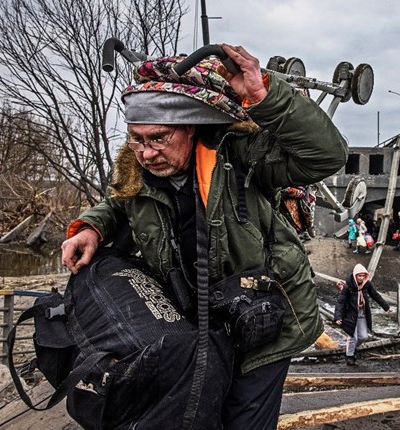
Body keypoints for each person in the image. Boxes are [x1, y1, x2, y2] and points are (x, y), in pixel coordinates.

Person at [60, 44, 347, 428]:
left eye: (159, 138)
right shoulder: (137, 172)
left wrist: (266, 94)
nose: (146, 153)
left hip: (263, 322)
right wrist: (92, 227)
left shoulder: (241, 157)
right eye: (137, 139)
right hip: (194, 325)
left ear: (191, 127)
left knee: (241, 422)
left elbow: (326, 156)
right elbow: (120, 205)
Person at [334, 264, 392, 365]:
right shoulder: (348, 286)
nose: (361, 278)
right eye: (359, 276)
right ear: (355, 275)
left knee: (363, 337)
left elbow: (375, 295)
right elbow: (340, 302)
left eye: (363, 276)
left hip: (362, 312)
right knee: (353, 336)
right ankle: (349, 356)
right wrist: (338, 317)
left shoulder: (366, 284)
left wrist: (386, 307)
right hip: (350, 313)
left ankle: (353, 349)